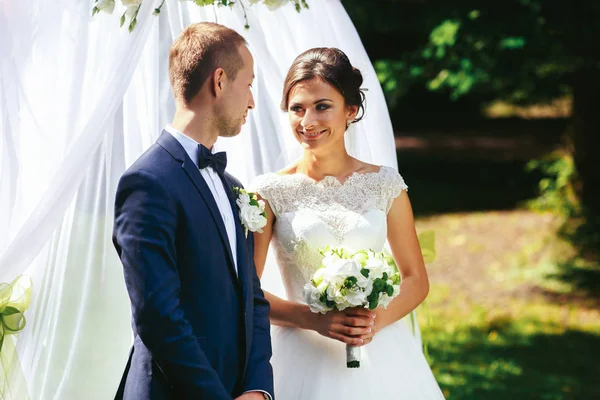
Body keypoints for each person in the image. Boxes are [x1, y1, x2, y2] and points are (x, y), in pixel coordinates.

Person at [252, 47, 445, 399]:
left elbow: (416, 279)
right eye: (297, 108)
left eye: (322, 106)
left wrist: (372, 323)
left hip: (381, 354)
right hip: (299, 354)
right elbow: (246, 292)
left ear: (350, 111)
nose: (307, 121)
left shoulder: (385, 185)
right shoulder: (270, 192)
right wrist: (313, 319)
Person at [112, 22, 273, 400]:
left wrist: (258, 388)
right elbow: (158, 318)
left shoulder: (233, 186)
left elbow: (253, 297)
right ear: (219, 81)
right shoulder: (147, 182)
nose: (252, 101)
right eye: (248, 85)